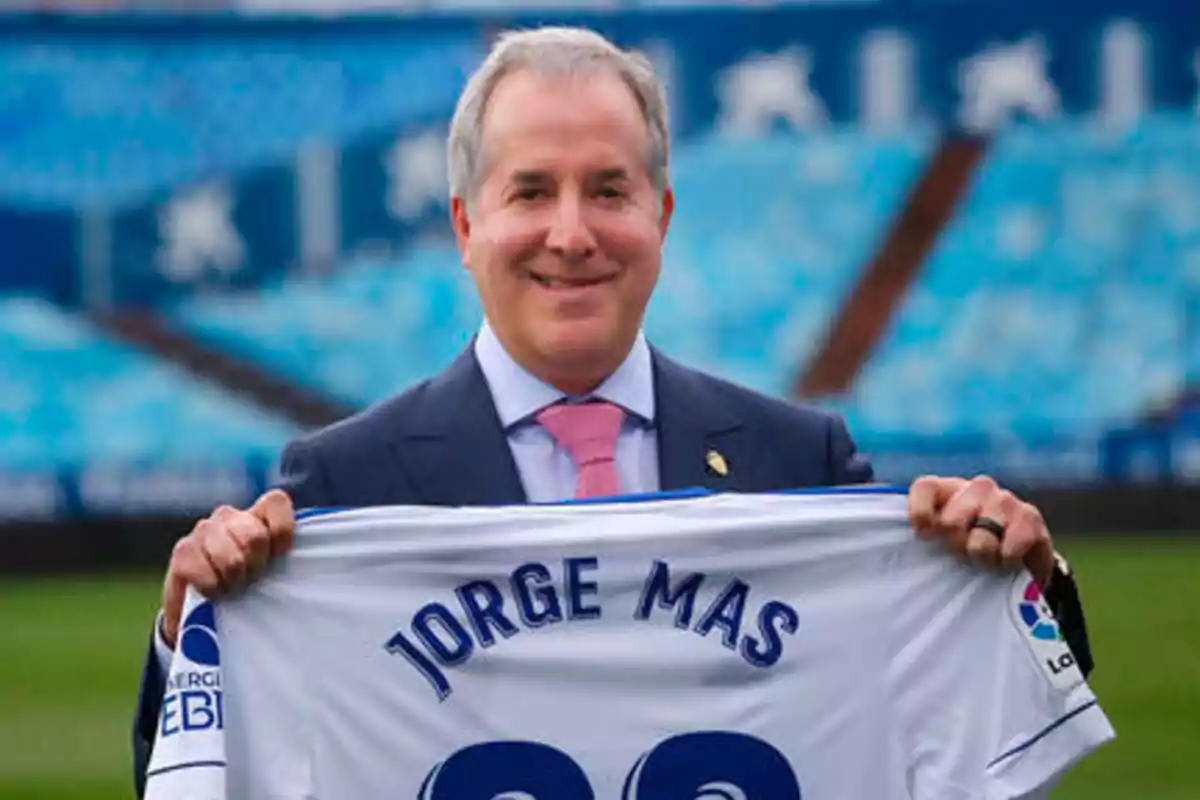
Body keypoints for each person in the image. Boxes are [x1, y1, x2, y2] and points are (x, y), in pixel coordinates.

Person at [131, 26, 1092, 797]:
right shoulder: (342, 485)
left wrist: (1020, 580)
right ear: (467, 226)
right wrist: (193, 641)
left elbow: (963, 720)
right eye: (530, 192)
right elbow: (196, 775)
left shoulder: (801, 460)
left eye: (608, 190)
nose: (572, 234)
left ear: (661, 217)